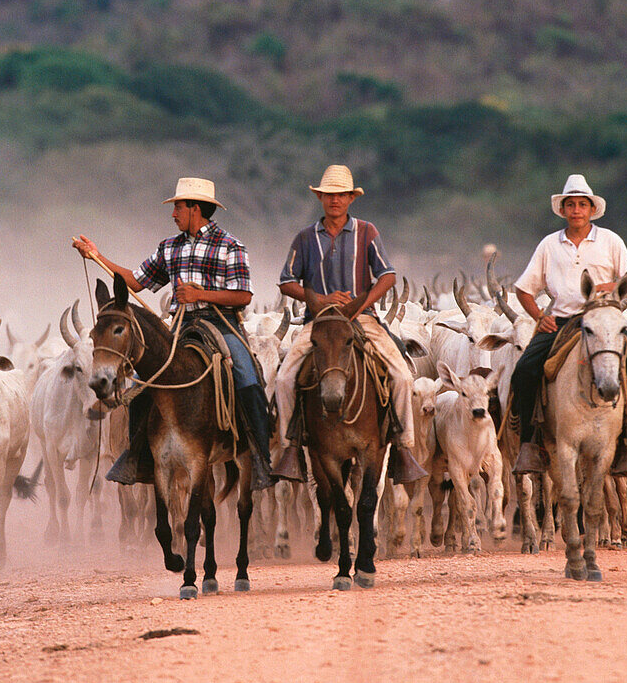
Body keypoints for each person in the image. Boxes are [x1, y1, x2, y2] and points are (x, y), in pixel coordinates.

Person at [72, 176, 275, 490]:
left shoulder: (230, 246)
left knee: (247, 378)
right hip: (180, 327)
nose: (173, 213)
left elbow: (243, 296)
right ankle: (137, 457)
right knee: (141, 383)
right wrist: (97, 256)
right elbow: (135, 282)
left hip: (221, 324)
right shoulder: (169, 248)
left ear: (195, 208)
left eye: (178, 207)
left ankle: (261, 458)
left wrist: (201, 295)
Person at [272, 164, 427, 484]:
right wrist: (322, 299)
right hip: (318, 323)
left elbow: (387, 276)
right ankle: (291, 449)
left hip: (363, 320)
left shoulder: (367, 232)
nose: (335, 200)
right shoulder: (304, 238)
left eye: (341, 195)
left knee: (400, 374)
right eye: (329, 195)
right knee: (285, 377)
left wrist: (361, 304)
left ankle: (403, 448)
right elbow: (287, 281)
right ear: (320, 198)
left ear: (350, 198)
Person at [509, 173, 627, 477]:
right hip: (563, 321)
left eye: (582, 205)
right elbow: (523, 289)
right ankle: (528, 444)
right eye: (571, 205)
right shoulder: (549, 245)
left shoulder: (611, 240)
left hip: (606, 319)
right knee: (523, 372)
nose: (576, 210)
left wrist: (608, 284)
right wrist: (539, 316)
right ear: (562, 210)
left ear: (592, 210)